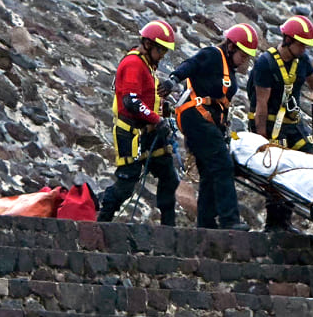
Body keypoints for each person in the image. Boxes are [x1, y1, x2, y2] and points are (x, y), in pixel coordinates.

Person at [172, 23, 260, 230]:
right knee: (223, 165)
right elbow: (190, 65)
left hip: (208, 123)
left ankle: (206, 224)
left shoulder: (229, 69)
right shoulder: (212, 55)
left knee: (210, 173)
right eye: (243, 55)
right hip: (196, 118)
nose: (245, 60)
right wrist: (174, 78)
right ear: (231, 47)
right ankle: (229, 219)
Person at [246, 15, 313, 231]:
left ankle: (289, 217)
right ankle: (274, 222)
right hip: (269, 122)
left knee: (305, 159)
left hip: (292, 123)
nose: (303, 49)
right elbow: (261, 106)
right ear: (288, 40)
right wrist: (263, 139)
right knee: (276, 168)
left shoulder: (302, 62)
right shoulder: (266, 64)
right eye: (301, 44)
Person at [96, 20, 180, 225]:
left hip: (149, 133)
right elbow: (131, 101)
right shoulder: (133, 64)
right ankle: (101, 222)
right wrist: (156, 119)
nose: (163, 56)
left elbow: (145, 97)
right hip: (130, 134)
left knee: (168, 176)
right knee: (127, 182)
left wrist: (163, 112)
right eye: (161, 51)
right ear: (149, 45)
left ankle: (169, 228)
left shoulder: (147, 65)